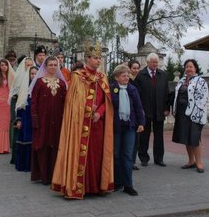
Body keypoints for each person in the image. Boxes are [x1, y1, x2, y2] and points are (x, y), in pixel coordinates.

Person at [51, 42, 115, 199]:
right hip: (80, 124)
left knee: (97, 155)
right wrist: (87, 108)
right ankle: (79, 187)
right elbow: (72, 102)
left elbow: (106, 101)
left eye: (100, 58)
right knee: (82, 154)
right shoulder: (78, 76)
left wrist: (99, 112)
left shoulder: (103, 77)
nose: (98, 61)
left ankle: (96, 187)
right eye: (95, 58)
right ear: (87, 58)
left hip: (97, 123)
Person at [30, 56, 67, 184]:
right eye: (50, 65)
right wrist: (35, 118)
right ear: (45, 66)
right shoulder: (39, 82)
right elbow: (34, 101)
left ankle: (53, 175)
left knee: (55, 145)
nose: (52, 67)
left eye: (55, 65)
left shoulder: (62, 84)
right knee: (42, 145)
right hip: (43, 120)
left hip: (57, 119)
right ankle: (43, 175)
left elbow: (65, 102)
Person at [110, 64, 145, 196]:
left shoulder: (132, 89)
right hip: (116, 126)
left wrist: (141, 123)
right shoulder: (111, 88)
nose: (127, 78)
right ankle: (117, 182)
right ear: (117, 77)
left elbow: (138, 107)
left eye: (127, 75)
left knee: (128, 155)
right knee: (116, 154)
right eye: (124, 75)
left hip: (130, 126)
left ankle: (128, 184)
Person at [172, 59, 209, 172]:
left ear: (195, 69)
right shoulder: (181, 81)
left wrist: (195, 110)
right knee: (186, 137)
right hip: (182, 113)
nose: (188, 69)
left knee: (195, 138)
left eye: (191, 67)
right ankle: (191, 161)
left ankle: (199, 162)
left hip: (195, 114)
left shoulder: (201, 81)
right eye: (187, 67)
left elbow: (204, 97)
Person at [135, 53, 170, 167]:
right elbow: (137, 95)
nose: (155, 64)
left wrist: (166, 108)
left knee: (159, 136)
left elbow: (166, 93)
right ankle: (144, 158)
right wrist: (140, 111)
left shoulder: (163, 75)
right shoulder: (141, 75)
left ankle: (159, 158)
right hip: (145, 111)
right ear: (147, 62)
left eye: (156, 62)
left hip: (159, 110)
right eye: (153, 62)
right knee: (144, 135)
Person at [10, 56, 33, 164]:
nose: (29, 67)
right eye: (27, 65)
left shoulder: (33, 77)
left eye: (31, 65)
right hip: (18, 105)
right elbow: (14, 94)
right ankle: (15, 157)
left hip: (28, 108)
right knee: (17, 131)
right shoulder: (19, 77)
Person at [14, 63, 38, 172]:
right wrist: (19, 120)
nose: (33, 76)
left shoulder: (39, 86)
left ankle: (33, 166)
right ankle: (23, 164)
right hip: (25, 117)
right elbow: (19, 104)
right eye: (32, 74)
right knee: (25, 139)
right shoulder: (24, 88)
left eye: (35, 74)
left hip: (35, 117)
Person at [128, 59, 142, 170]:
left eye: (137, 68)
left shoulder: (141, 79)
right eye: (134, 68)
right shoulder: (126, 80)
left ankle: (132, 160)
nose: (136, 70)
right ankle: (127, 160)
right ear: (129, 69)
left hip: (138, 112)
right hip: (128, 113)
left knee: (136, 139)